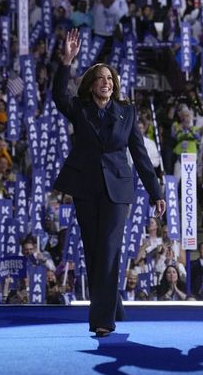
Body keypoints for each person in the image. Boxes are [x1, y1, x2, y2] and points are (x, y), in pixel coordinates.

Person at [52, 28, 165, 337]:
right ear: (91, 85)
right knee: (94, 250)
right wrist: (66, 63)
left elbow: (141, 155)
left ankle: (103, 320)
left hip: (118, 189)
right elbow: (59, 96)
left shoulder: (126, 112)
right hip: (86, 188)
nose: (106, 82)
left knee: (109, 248)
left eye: (110, 79)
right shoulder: (80, 109)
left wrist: (156, 192)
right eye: (101, 78)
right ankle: (112, 303)